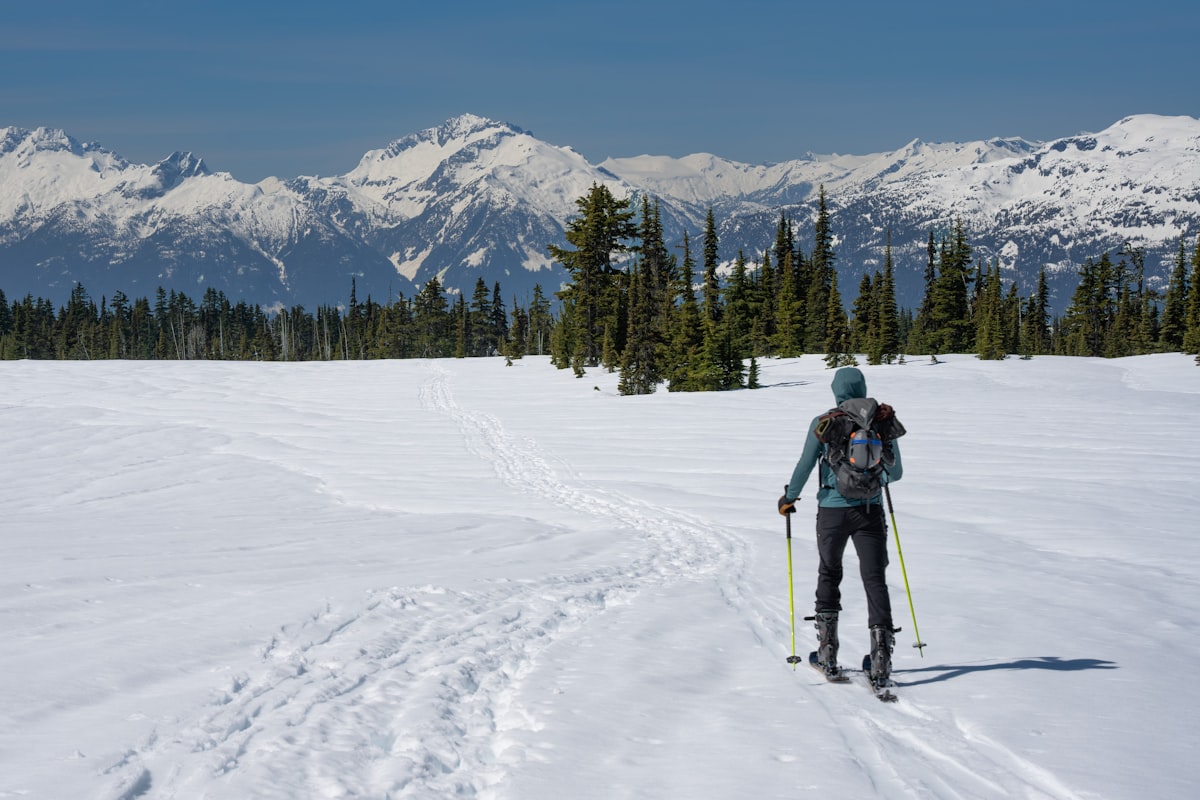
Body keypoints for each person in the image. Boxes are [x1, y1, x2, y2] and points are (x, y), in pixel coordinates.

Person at [777, 366, 903, 683]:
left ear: (836, 391)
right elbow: (896, 472)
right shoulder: (882, 420)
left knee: (829, 572)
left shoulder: (825, 422)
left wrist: (789, 498)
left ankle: (827, 653)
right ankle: (881, 660)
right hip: (870, 511)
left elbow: (806, 464)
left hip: (832, 512)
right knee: (875, 579)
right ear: (863, 387)